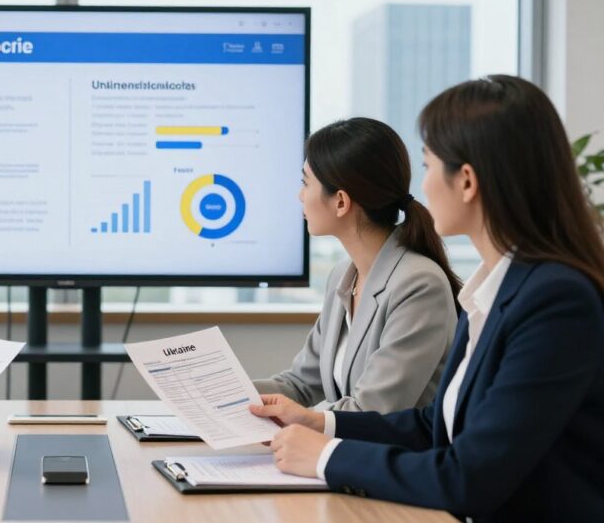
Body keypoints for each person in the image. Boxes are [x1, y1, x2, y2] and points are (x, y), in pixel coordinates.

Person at [253, 75, 604, 522]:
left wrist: (325, 456)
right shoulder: (495, 291)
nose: (422, 185)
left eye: (428, 165)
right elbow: (434, 425)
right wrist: (320, 423)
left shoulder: (555, 302)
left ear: (467, 181)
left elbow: (469, 478)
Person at [253, 117, 459, 413]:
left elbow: (373, 410)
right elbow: (301, 384)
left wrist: (304, 421)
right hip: (345, 441)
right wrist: (222, 392)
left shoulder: (419, 285)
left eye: (305, 183)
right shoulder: (343, 276)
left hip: (384, 444)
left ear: (340, 202)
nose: (300, 195)